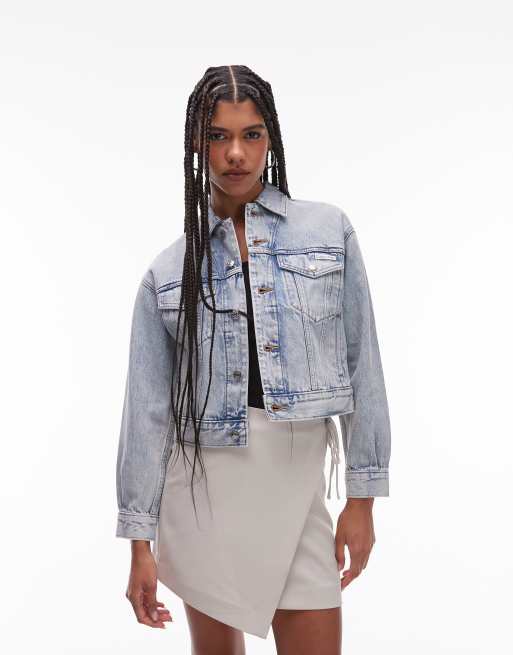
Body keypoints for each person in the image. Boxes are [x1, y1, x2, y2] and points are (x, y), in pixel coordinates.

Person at [115, 64, 391, 653]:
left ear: (271, 139)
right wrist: (139, 541)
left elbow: (362, 363)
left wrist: (362, 498)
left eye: (251, 134)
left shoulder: (328, 231)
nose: (236, 153)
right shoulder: (169, 272)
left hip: (296, 478)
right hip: (203, 492)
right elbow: (147, 414)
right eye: (218, 136)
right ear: (198, 144)